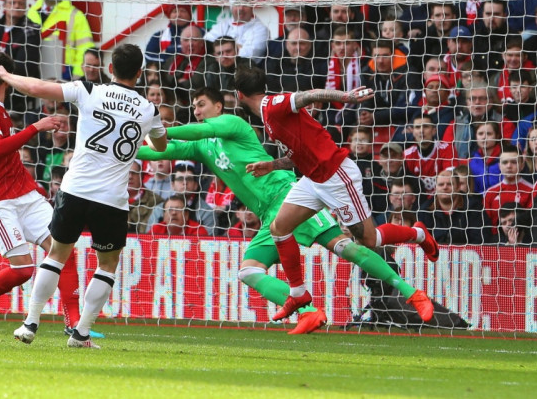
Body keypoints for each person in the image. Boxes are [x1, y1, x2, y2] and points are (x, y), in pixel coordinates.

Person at [138, 86, 433, 334]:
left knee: (347, 247)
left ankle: (411, 293)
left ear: (219, 105)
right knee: (249, 271)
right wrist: (122, 147)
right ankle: (308, 311)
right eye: (194, 107)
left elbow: (191, 132)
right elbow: (159, 150)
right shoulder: (202, 147)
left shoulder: (232, 124)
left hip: (287, 193)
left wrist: (159, 126)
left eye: (202, 105)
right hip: (269, 215)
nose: (198, 110)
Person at [0, 43, 167, 348]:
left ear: (110, 69)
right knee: (106, 265)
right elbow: (161, 147)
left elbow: (37, 87)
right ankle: (81, 333)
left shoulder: (89, 90)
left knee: (56, 255)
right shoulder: (149, 110)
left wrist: (5, 74)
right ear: (140, 74)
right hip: (112, 199)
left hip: (75, 190)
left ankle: (30, 323)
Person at [235, 67, 436, 324]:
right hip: (312, 179)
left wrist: (346, 97)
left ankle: (418, 240)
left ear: (239, 95)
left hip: (336, 176)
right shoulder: (268, 115)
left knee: (369, 240)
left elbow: (308, 95)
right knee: (279, 227)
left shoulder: (272, 104)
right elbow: (298, 154)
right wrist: (272, 165)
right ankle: (297, 294)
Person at [0, 51, 64, 333]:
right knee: (22, 269)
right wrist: (36, 126)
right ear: (6, 79)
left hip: (25, 193)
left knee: (61, 250)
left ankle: (76, 325)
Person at [27, 0, 95, 80]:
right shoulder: (31, 13)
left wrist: (77, 75)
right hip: (34, 69)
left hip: (65, 72)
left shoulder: (76, 15)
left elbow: (85, 48)